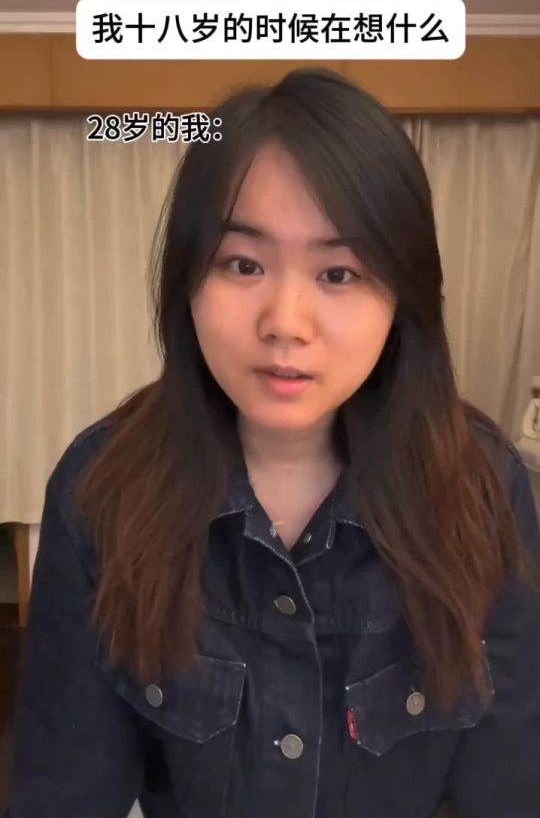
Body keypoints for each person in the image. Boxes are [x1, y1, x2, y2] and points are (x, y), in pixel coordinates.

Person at [6, 68, 540, 818]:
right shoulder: (102, 490)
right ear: (187, 280)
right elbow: (62, 791)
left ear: (404, 297)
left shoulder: (483, 490)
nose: (286, 321)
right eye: (244, 264)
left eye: (339, 272)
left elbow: (511, 786)